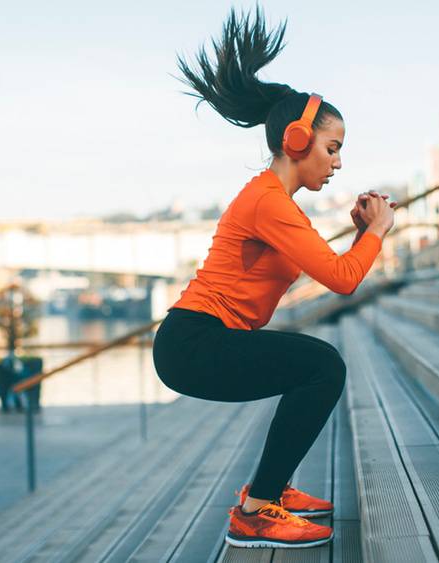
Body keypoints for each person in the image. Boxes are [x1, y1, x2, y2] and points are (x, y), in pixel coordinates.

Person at [151, 7, 396, 550]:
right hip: (193, 342)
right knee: (321, 366)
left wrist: (361, 237)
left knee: (312, 367)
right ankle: (257, 511)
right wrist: (378, 231)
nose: (336, 164)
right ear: (296, 140)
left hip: (203, 339)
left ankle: (269, 492)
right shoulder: (269, 202)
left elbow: (334, 267)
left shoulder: (276, 203)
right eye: (332, 149)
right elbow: (341, 280)